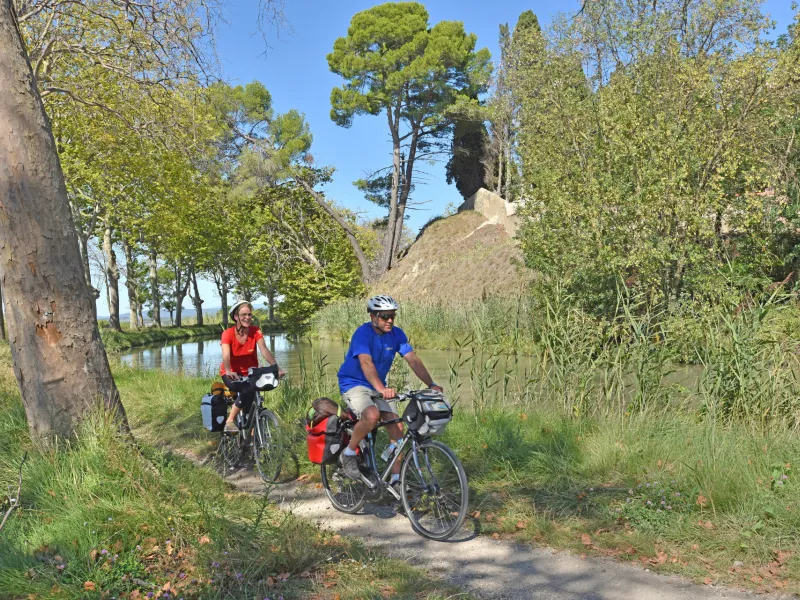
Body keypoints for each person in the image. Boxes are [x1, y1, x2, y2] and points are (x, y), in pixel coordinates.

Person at [337, 294, 443, 482]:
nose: (390, 320)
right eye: (385, 316)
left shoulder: (397, 334)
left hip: (378, 386)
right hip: (354, 383)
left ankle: (395, 479)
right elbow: (366, 363)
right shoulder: (362, 334)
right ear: (373, 317)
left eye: (392, 316)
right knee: (371, 415)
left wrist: (431, 384)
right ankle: (349, 453)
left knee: (397, 427)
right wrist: (381, 389)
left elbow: (413, 360)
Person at [220, 301, 282, 434]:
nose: (247, 317)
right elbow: (226, 355)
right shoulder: (228, 333)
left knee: (252, 403)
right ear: (236, 316)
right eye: (243, 315)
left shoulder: (255, 331)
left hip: (251, 373)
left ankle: (254, 442)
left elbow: (264, 350)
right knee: (247, 390)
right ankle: (230, 421)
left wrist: (276, 368)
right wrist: (229, 370)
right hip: (231, 373)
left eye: (249, 315)